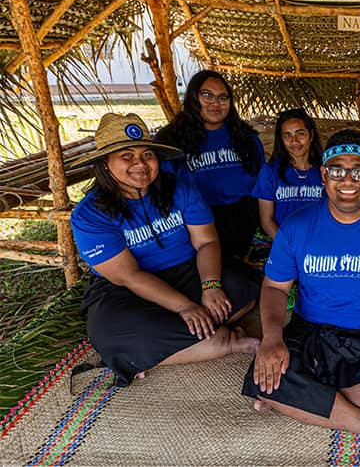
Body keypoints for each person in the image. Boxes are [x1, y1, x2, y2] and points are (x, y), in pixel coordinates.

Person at [241, 129, 360, 450]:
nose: (347, 180)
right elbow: (274, 288)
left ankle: (303, 400)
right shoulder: (296, 226)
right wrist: (272, 338)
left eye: (357, 171)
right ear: (324, 175)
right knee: (266, 374)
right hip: (311, 331)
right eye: (337, 170)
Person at [70, 113, 260, 387]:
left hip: (188, 272)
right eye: (127, 155)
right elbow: (129, 276)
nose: (140, 164)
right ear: (105, 164)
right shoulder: (90, 215)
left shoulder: (180, 189)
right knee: (110, 333)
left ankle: (177, 345)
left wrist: (210, 285)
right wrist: (184, 307)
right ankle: (223, 340)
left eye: (147, 154)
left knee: (245, 284)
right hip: (128, 290)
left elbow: (206, 242)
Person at [155, 69, 266, 260]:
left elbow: (262, 181)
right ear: (193, 97)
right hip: (194, 222)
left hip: (243, 220)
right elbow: (162, 187)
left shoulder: (246, 137)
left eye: (223, 97)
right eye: (207, 95)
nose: (216, 103)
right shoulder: (171, 139)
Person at [253, 107, 324, 239]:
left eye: (300, 133)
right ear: (281, 139)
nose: (294, 141)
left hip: (318, 242)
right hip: (281, 242)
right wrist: (288, 248)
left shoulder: (325, 171)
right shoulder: (269, 172)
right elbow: (266, 221)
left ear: (311, 135)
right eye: (287, 135)